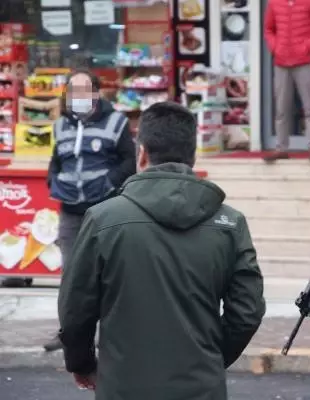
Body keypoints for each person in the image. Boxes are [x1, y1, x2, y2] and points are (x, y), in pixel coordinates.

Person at [57, 102, 266, 400]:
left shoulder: (104, 219)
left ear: (141, 153)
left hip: (123, 385)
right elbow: (247, 311)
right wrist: (212, 357)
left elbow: (76, 307)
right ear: (192, 155)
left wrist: (80, 362)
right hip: (201, 385)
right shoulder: (230, 223)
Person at [43, 69, 136, 352]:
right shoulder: (61, 125)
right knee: (71, 276)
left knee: (108, 273)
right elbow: (56, 160)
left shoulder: (116, 122)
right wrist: (54, 183)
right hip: (70, 212)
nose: (78, 97)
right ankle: (68, 333)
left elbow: (129, 162)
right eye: (73, 91)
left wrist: (108, 185)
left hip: (105, 211)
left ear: (96, 93)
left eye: (84, 91)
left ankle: (111, 334)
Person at [263, 0, 310, 163]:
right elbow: (268, 29)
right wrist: (275, 47)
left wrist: (308, 46)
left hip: (305, 61)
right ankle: (281, 148)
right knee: (281, 109)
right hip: (281, 63)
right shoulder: (274, 3)